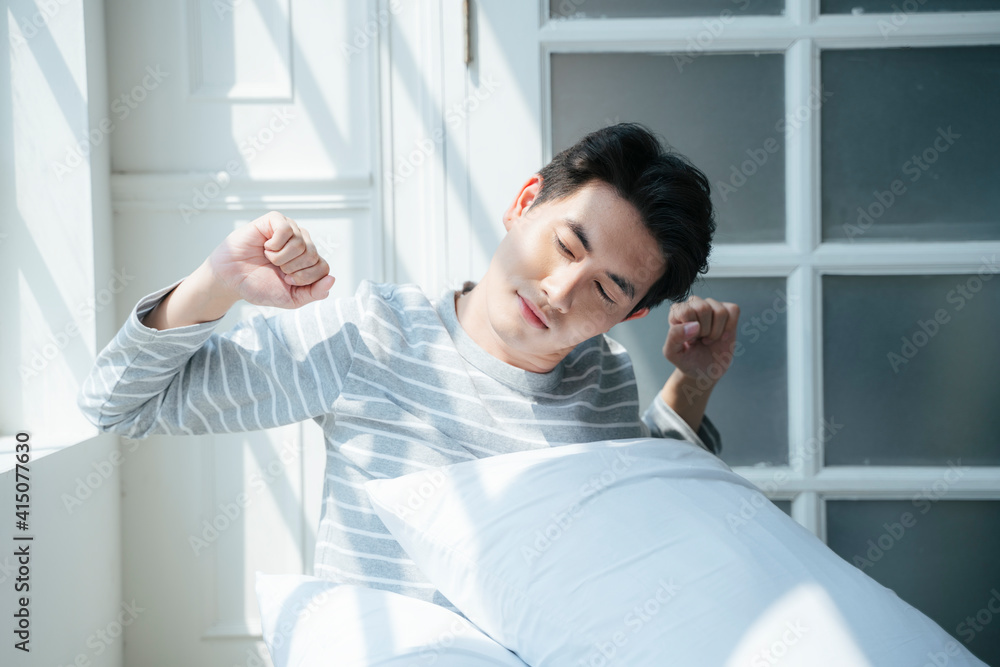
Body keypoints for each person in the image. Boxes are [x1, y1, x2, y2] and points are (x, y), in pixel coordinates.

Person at [78, 122, 740, 616]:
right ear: (524, 202)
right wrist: (217, 282)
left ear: (629, 314)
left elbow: (647, 512)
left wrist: (695, 382)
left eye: (605, 290)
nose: (559, 292)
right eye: (566, 245)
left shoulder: (607, 380)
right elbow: (119, 403)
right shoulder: (371, 337)